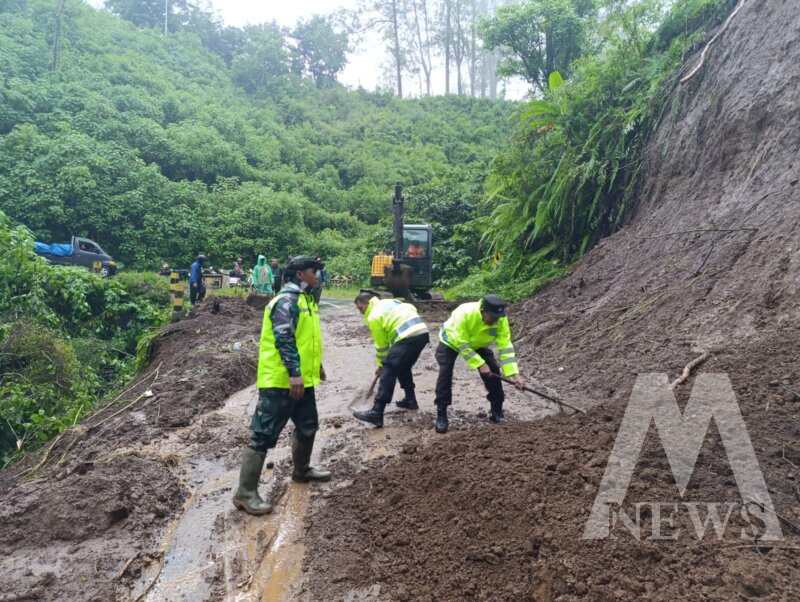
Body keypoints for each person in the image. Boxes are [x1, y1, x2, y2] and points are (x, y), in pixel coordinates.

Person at [232, 256, 331, 515]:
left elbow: (307, 339)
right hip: (281, 381)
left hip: (302, 380)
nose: (318, 276)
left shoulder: (305, 301)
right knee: (263, 434)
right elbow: (284, 338)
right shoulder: (286, 301)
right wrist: (294, 373)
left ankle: (301, 470)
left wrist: (316, 365)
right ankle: (245, 493)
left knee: (308, 426)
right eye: (314, 272)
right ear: (300, 275)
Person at [433, 295, 525, 434]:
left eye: (497, 318)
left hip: (477, 344)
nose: (495, 321)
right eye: (492, 318)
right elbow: (461, 344)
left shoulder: (500, 318)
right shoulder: (464, 313)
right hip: (452, 341)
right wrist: (480, 364)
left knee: (493, 370)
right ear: (483, 311)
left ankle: (497, 412)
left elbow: (505, 346)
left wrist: (514, 374)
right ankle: (441, 414)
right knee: (445, 373)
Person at [352, 292, 430, 428]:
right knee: (403, 366)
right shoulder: (390, 302)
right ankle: (410, 400)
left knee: (389, 369)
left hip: (407, 336)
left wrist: (381, 365)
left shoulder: (374, 316)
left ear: (367, 303)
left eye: (360, 308)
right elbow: (410, 308)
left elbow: (382, 347)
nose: (360, 312)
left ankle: (377, 412)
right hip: (422, 333)